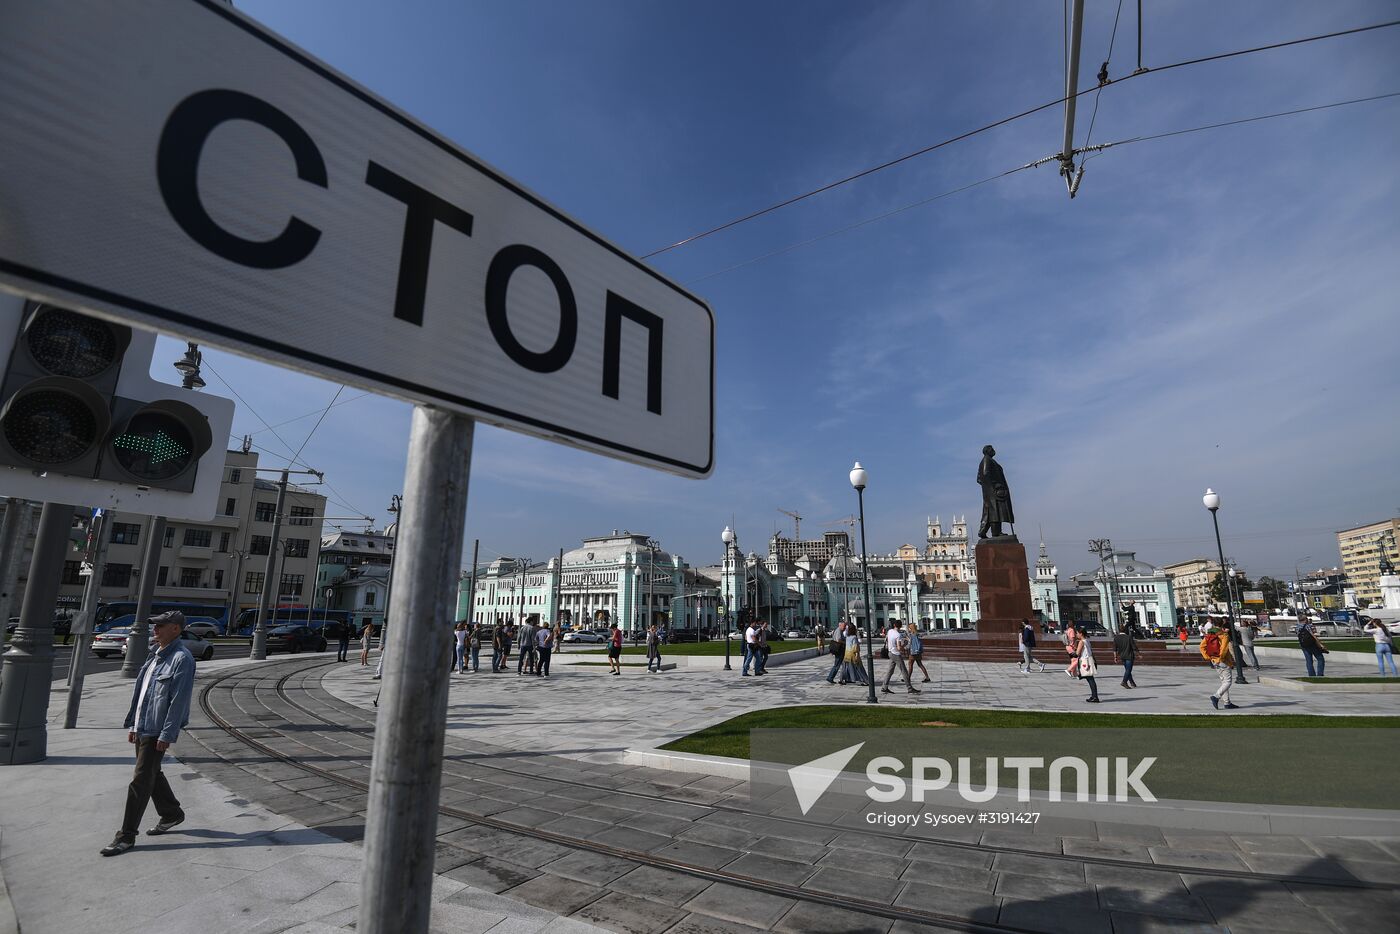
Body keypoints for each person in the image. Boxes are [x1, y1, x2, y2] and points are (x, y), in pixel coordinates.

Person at [100, 611, 195, 857]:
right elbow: (143, 694)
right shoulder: (155, 655)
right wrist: (134, 725)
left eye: (160, 626)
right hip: (144, 726)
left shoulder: (181, 659)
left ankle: (126, 836)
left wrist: (167, 734)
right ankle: (172, 813)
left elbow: (178, 701)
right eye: (155, 626)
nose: (155, 630)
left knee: (141, 780)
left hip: (157, 731)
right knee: (152, 773)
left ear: (175, 628)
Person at [1199, 623, 1238, 709]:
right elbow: (1224, 648)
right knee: (1228, 682)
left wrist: (1207, 657)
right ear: (1222, 628)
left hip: (1214, 660)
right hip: (1223, 661)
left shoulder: (1209, 635)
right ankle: (1216, 696)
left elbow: (1201, 647)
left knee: (1224, 682)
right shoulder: (1224, 635)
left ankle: (1227, 703)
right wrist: (1221, 657)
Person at [881, 620, 920, 695]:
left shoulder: (890, 631)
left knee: (890, 671)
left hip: (890, 652)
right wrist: (905, 644)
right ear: (900, 626)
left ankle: (884, 687)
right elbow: (899, 648)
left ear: (894, 625)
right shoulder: (897, 635)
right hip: (896, 654)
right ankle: (910, 688)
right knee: (904, 671)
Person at [1076, 628, 1100, 702]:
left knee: (1090, 679)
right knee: (1090, 678)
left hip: (1085, 661)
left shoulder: (1081, 642)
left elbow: (1077, 653)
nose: (1076, 635)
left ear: (1081, 634)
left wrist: (1073, 651)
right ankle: (1094, 696)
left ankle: (1095, 696)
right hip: (1089, 660)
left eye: (1077, 633)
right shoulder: (1087, 641)